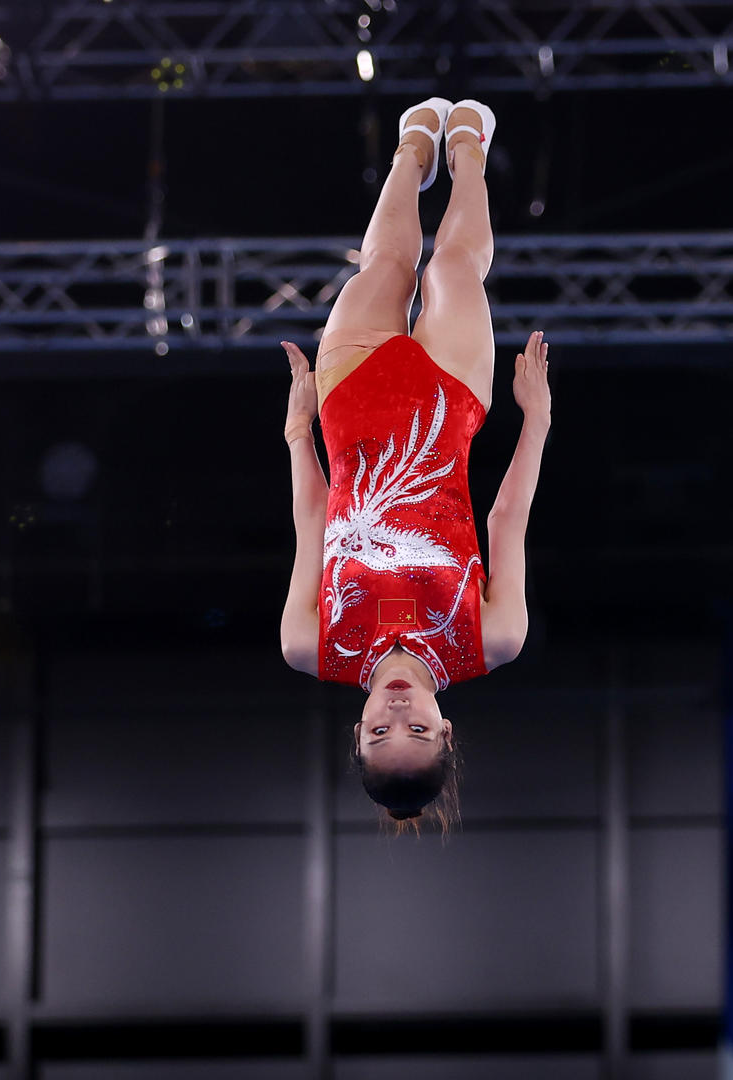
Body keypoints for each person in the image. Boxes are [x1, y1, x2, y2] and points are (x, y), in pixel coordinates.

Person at [279, 98, 552, 831]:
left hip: (349, 406)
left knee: (389, 264)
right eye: (419, 731)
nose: (398, 715)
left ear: (355, 732)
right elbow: (506, 517)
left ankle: (410, 153)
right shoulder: (493, 639)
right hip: (452, 404)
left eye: (378, 733)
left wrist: (299, 432)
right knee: (456, 266)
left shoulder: (310, 645)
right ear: (447, 731)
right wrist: (538, 422)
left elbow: (313, 521)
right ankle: (468, 154)